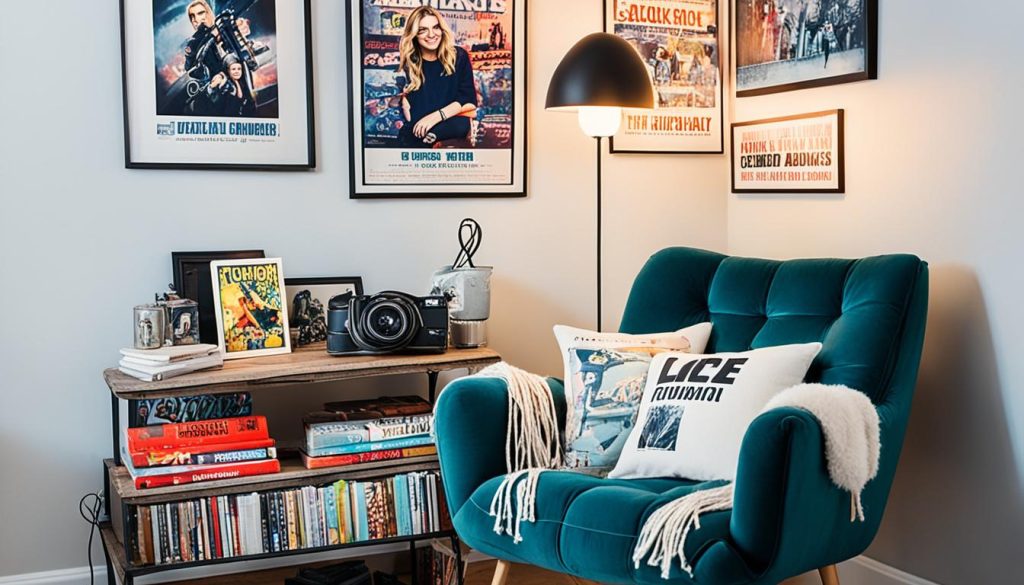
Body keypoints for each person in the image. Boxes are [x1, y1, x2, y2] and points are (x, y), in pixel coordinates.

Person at [396, 6, 478, 147]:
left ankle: (432, 135)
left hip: (447, 124)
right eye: (423, 30)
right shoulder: (408, 63)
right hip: (417, 130)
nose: (431, 34)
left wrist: (435, 117)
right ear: (414, 34)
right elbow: (407, 114)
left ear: (442, 29)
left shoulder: (458, 56)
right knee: (411, 133)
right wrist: (401, 99)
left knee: (462, 124)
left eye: (435, 27)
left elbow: (469, 101)